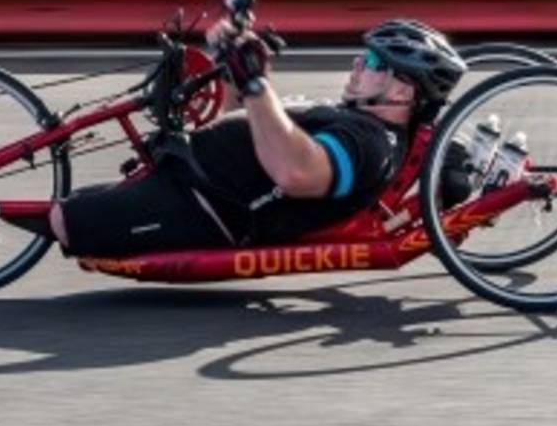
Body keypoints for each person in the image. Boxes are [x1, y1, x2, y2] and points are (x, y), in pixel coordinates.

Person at [47, 18, 466, 257]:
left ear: (401, 91)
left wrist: (257, 87)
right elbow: (255, 135)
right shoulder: (352, 117)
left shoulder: (371, 144)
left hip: (206, 210)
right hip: (193, 180)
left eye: (374, 60)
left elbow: (295, 173)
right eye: (363, 54)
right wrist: (238, 75)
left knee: (65, 220)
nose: (358, 63)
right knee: (73, 205)